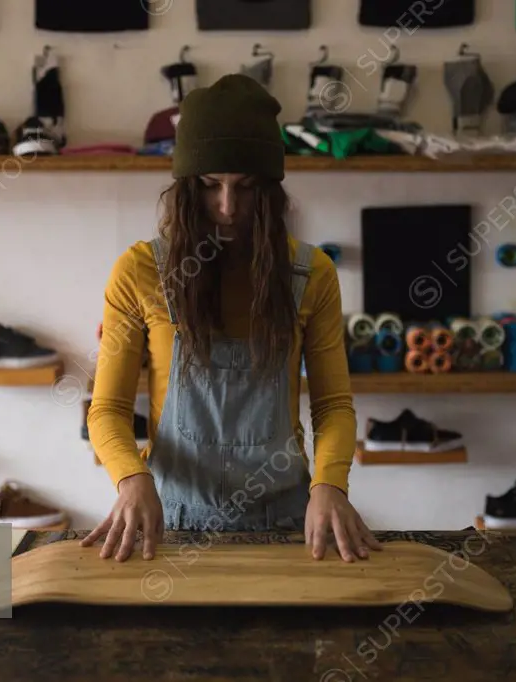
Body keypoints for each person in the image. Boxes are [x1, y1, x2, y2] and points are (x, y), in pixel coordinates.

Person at [83, 74, 381, 564]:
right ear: (185, 188)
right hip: (172, 522)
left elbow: (332, 408)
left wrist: (330, 484)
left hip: (286, 524)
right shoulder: (139, 272)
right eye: (209, 186)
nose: (227, 207)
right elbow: (107, 409)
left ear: (270, 191)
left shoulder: (312, 275)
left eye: (245, 188)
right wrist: (131, 478)